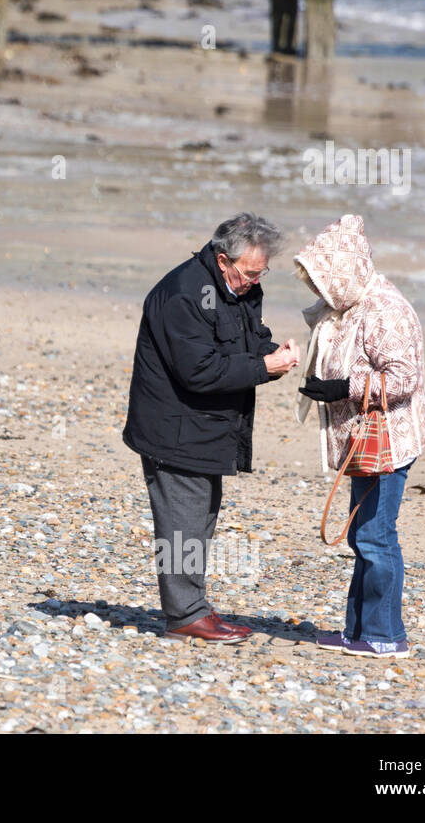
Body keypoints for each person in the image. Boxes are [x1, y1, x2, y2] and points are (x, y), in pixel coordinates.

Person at [123, 213, 300, 644]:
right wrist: (264, 367)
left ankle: (193, 606)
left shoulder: (239, 286)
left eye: (262, 273)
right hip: (175, 427)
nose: (256, 282)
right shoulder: (183, 294)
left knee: (200, 519)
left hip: (209, 426)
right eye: (250, 273)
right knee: (182, 524)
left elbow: (247, 336)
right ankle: (184, 615)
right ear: (223, 261)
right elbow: (199, 371)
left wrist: (272, 353)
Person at [293, 214, 425, 659]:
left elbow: (405, 378)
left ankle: (386, 635)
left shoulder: (386, 310)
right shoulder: (353, 304)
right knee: (363, 535)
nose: (317, 292)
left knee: (377, 536)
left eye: (320, 282)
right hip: (366, 438)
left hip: (387, 440)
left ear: (344, 273)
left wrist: (342, 388)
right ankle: (358, 632)